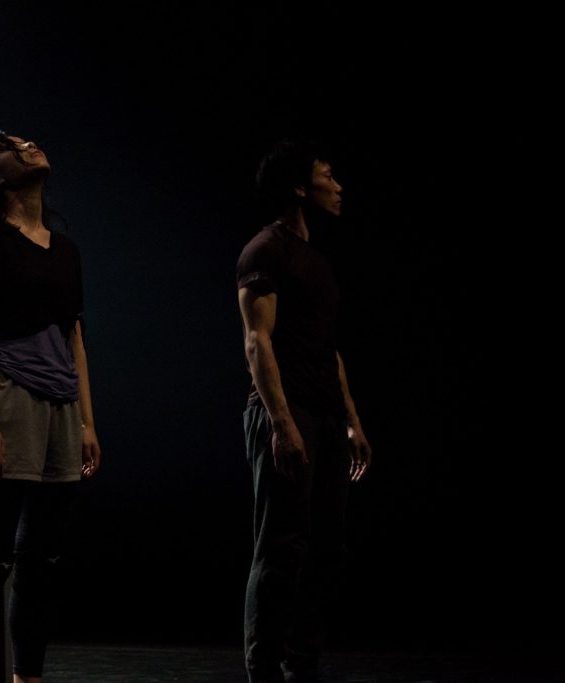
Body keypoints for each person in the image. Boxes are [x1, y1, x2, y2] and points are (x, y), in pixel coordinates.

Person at [0, 130, 102, 683]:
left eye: (27, 141)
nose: (29, 145)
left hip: (60, 405)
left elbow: (74, 339)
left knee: (40, 562)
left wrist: (86, 421)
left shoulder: (65, 250)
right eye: (12, 147)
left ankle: (27, 677)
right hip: (6, 396)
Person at [237, 139, 373, 683]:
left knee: (327, 548)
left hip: (325, 415)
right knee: (281, 545)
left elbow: (328, 348)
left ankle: (302, 664)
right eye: (327, 176)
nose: (338, 186)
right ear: (299, 188)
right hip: (285, 412)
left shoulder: (317, 260)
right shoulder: (264, 251)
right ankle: (264, 668)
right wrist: (282, 423)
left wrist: (351, 420)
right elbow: (257, 342)